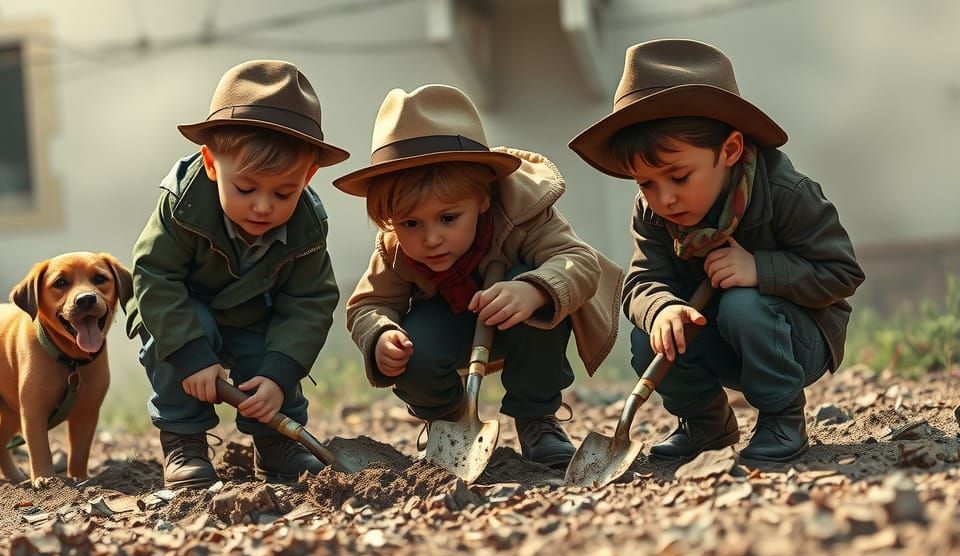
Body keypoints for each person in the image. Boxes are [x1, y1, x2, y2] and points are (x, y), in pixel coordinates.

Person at [569, 39, 864, 462]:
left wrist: (759, 269)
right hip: (721, 340)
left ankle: (782, 418)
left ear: (730, 150)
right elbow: (641, 282)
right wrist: (662, 310)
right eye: (646, 183)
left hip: (798, 339)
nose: (665, 198)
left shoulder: (786, 192)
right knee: (650, 336)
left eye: (679, 176)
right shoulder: (652, 213)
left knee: (743, 304)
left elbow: (842, 273)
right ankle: (706, 425)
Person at [338, 84, 624, 469]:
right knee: (411, 350)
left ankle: (536, 418)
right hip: (451, 327)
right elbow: (367, 304)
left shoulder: (524, 211)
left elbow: (579, 261)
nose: (431, 238)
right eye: (411, 223)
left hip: (519, 324)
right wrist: (380, 336)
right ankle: (449, 421)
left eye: (448, 218)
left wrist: (534, 291)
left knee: (534, 283)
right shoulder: (395, 248)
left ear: (483, 198)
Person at [126, 60, 348, 487]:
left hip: (253, 317)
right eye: (245, 189)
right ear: (211, 164)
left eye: (283, 192)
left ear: (308, 177)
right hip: (182, 313)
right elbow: (154, 276)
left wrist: (279, 375)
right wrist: (192, 355)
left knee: (269, 353)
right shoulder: (183, 204)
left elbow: (309, 303)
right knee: (178, 334)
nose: (263, 206)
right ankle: (184, 442)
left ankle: (277, 445)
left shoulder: (307, 227)